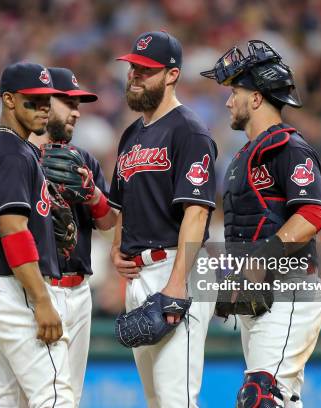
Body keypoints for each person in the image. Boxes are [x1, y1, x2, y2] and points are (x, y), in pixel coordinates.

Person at [201, 40, 321, 407]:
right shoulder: (244, 155)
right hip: (259, 298)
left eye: (235, 92)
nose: (228, 102)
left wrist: (259, 260)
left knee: (260, 397)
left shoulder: (290, 148)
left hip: (290, 290)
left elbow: (312, 215)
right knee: (280, 399)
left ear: (256, 98)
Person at [109, 31, 218, 407]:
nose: (135, 75)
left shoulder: (189, 130)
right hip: (140, 274)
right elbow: (122, 203)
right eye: (133, 67)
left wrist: (176, 284)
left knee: (177, 399)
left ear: (172, 75)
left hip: (177, 266)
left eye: (146, 70)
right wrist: (116, 247)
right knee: (157, 399)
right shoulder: (131, 135)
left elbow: (197, 212)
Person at [0, 61, 74, 407]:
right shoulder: (12, 152)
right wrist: (42, 300)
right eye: (34, 100)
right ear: (10, 100)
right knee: (55, 392)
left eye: (48, 100)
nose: (45, 108)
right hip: (16, 286)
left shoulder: (1, 147)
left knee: (7, 397)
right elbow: (13, 231)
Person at [28, 66, 117, 406]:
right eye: (68, 102)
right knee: (37, 395)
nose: (77, 112)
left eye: (79, 104)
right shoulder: (19, 157)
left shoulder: (85, 160)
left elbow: (108, 221)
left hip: (79, 288)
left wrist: (93, 194)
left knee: (69, 395)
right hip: (38, 287)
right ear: (44, 103)